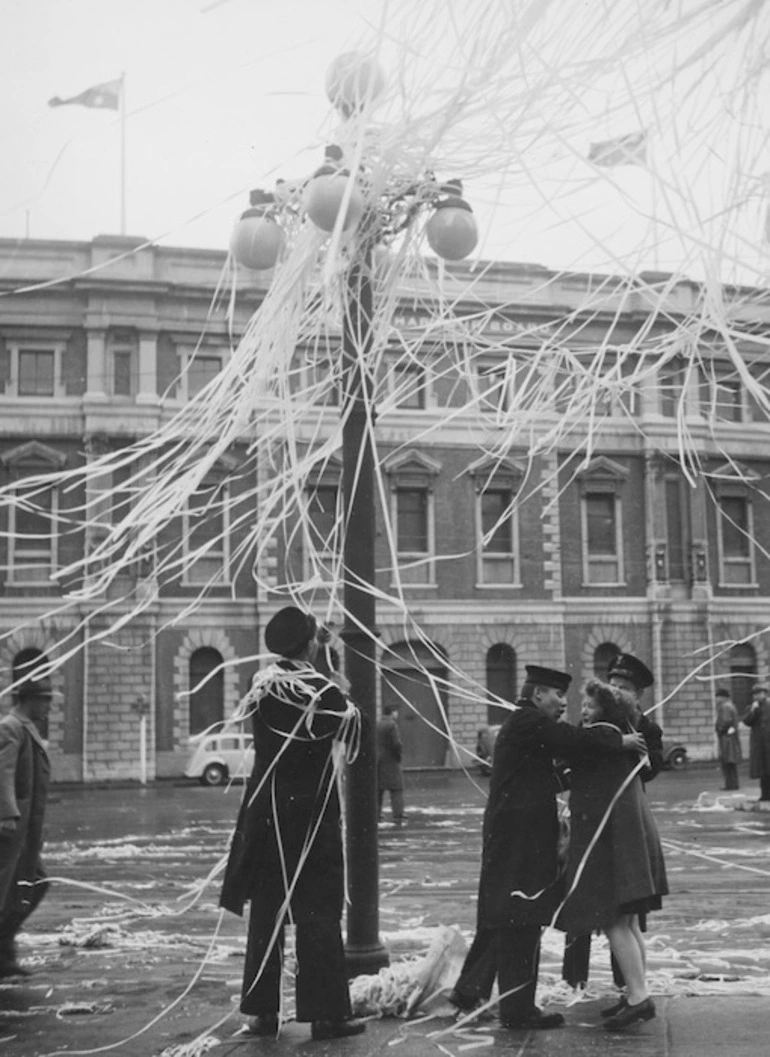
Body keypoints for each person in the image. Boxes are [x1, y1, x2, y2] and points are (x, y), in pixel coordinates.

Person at [448, 665, 645, 1031]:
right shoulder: (528, 721)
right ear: (538, 694)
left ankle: (471, 992)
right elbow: (573, 740)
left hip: (513, 837)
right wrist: (620, 742)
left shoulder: (524, 726)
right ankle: (518, 1010)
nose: (562, 705)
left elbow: (545, 777)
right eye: (557, 697)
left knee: (505, 915)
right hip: (519, 840)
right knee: (521, 917)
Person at [220, 606, 366, 1041]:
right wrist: (328, 667)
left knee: (268, 911)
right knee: (319, 910)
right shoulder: (324, 691)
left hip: (266, 812)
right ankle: (326, 1015)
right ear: (309, 645)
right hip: (311, 817)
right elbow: (353, 733)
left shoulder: (261, 686)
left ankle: (262, 1014)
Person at [558, 680, 668, 1031]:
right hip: (629, 835)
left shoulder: (604, 733)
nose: (584, 712)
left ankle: (638, 998)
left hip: (613, 839)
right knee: (629, 922)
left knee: (615, 920)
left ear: (604, 709)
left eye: (588, 706)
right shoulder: (623, 732)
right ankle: (636, 992)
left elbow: (578, 741)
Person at [0, 676, 52, 978]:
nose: (49, 706)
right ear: (28, 700)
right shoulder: (10, 727)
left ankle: (4, 953)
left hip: (24, 830)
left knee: (31, 884)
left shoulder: (24, 728)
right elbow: (2, 772)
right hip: (11, 828)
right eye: (45, 699)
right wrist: (6, 814)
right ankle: (3, 955)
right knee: (16, 888)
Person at [376, 703, 405, 825]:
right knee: (397, 789)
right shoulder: (392, 725)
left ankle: (376, 813)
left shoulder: (377, 724)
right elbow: (396, 744)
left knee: (378, 789)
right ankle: (398, 814)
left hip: (378, 760)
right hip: (391, 760)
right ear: (392, 712)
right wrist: (398, 756)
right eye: (396, 712)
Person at [742, 684, 770, 801]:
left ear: (765, 693)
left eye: (760, 693)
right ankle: (765, 794)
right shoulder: (752, 708)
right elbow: (747, 721)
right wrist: (753, 710)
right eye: (755, 694)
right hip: (759, 743)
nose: (758, 696)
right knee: (763, 770)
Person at [714, 687, 742, 790]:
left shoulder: (725, 707)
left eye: (718, 697)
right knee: (731, 763)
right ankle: (733, 784)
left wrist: (720, 730)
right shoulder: (731, 706)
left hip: (727, 738)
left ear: (723, 697)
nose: (717, 699)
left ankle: (730, 785)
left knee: (727, 762)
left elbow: (725, 721)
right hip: (731, 737)